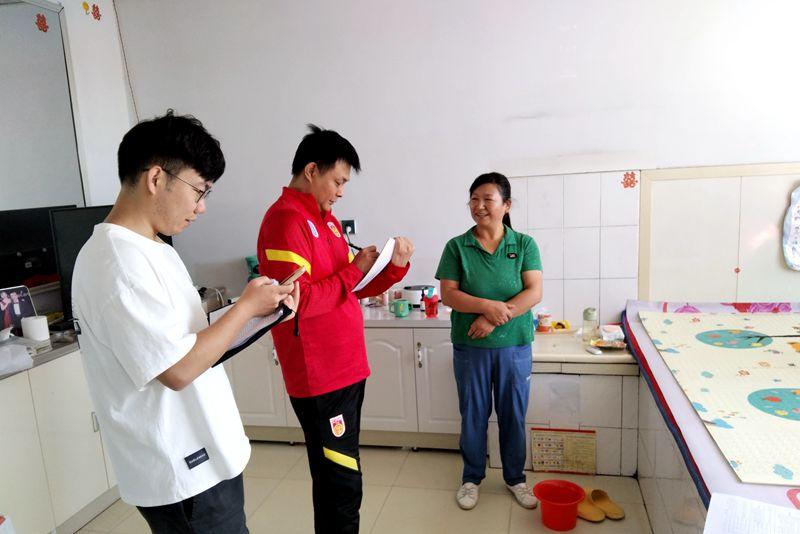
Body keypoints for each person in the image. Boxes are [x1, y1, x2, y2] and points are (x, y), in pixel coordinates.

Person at [72, 110, 298, 533]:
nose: (202, 207)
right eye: (199, 190)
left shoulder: (154, 248)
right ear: (157, 178)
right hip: (182, 471)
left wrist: (259, 311)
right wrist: (245, 308)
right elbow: (176, 369)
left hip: (205, 453)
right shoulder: (118, 262)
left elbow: (191, 340)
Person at [256, 124, 414, 534]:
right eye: (338, 181)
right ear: (312, 171)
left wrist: (393, 268)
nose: (341, 192)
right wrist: (355, 269)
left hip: (346, 368)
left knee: (338, 479)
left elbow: (351, 287)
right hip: (321, 376)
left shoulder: (326, 222)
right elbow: (300, 301)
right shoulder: (285, 221)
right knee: (341, 483)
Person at [435, 172, 543, 511]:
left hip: (514, 347)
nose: (479, 206)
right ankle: (471, 478)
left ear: (506, 205)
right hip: (472, 349)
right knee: (473, 414)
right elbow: (449, 294)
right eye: (474, 199)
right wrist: (486, 307)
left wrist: (493, 317)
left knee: (513, 414)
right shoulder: (457, 247)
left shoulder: (523, 244)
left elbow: (534, 291)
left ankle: (516, 479)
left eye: (488, 199)